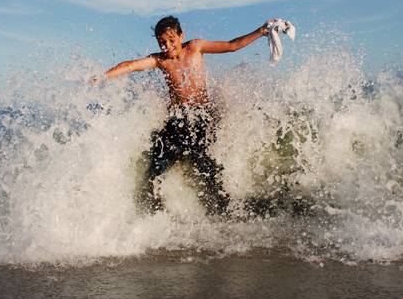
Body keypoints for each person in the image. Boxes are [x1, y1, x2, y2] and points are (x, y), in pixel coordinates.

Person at [95, 16, 274, 215]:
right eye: (162, 42)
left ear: (181, 36)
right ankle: (154, 211)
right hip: (178, 119)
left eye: (171, 40)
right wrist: (103, 76)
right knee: (156, 166)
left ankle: (225, 209)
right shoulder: (160, 60)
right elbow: (130, 65)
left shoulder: (196, 47)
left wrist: (261, 31)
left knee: (207, 167)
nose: (167, 46)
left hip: (202, 116)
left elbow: (232, 45)